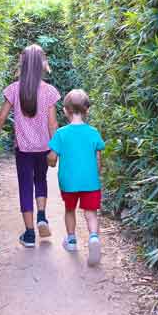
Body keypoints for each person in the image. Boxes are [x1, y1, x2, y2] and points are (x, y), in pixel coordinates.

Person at [0, 45, 60, 247]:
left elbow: (1, 117)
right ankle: (42, 217)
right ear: (41, 65)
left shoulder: (14, 89)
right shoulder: (50, 91)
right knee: (41, 180)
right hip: (44, 148)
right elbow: (53, 124)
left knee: (25, 186)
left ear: (23, 64)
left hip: (24, 150)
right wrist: (55, 149)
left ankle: (29, 234)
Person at [47, 89, 105, 266]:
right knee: (90, 213)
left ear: (65, 110)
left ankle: (71, 240)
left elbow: (52, 157)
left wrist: (51, 162)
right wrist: (98, 172)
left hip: (69, 181)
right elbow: (98, 158)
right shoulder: (93, 132)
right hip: (90, 181)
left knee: (70, 210)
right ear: (87, 110)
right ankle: (93, 237)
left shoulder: (61, 133)